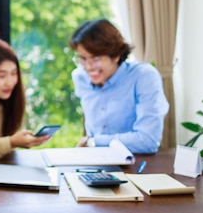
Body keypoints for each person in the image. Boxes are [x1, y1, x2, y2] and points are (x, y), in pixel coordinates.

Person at [69, 18, 169, 154]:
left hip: (136, 165)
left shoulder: (144, 77)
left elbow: (147, 141)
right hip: (94, 163)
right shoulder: (80, 77)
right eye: (83, 58)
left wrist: (94, 142)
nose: (88, 67)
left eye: (96, 58)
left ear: (115, 55)